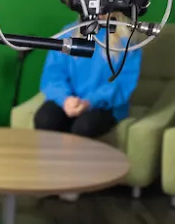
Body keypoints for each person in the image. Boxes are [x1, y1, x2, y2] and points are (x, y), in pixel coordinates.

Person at [34, 15, 142, 200]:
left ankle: (72, 179)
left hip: (106, 104)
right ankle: (49, 174)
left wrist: (89, 102)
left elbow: (121, 84)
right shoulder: (68, 32)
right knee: (44, 118)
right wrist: (65, 99)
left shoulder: (128, 40)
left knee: (83, 126)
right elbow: (54, 74)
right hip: (69, 99)